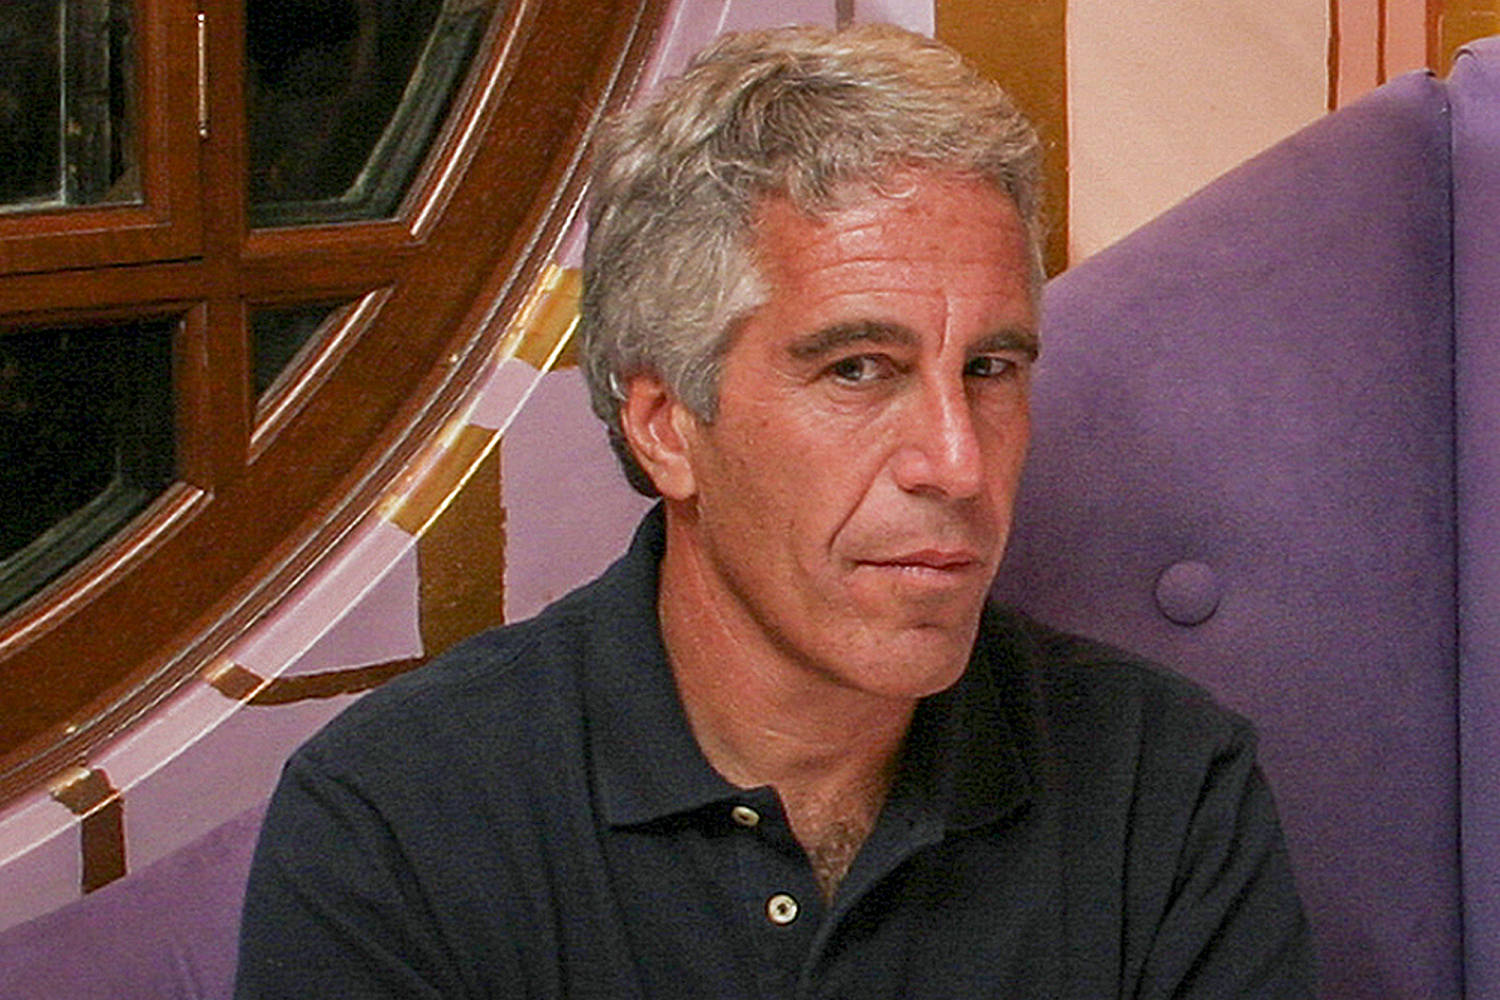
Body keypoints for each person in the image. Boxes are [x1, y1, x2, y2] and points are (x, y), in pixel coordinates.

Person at [236, 23, 1315, 998]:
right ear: (667, 426)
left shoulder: (1162, 786)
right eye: (858, 369)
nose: (958, 465)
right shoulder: (399, 825)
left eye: (990, 368)